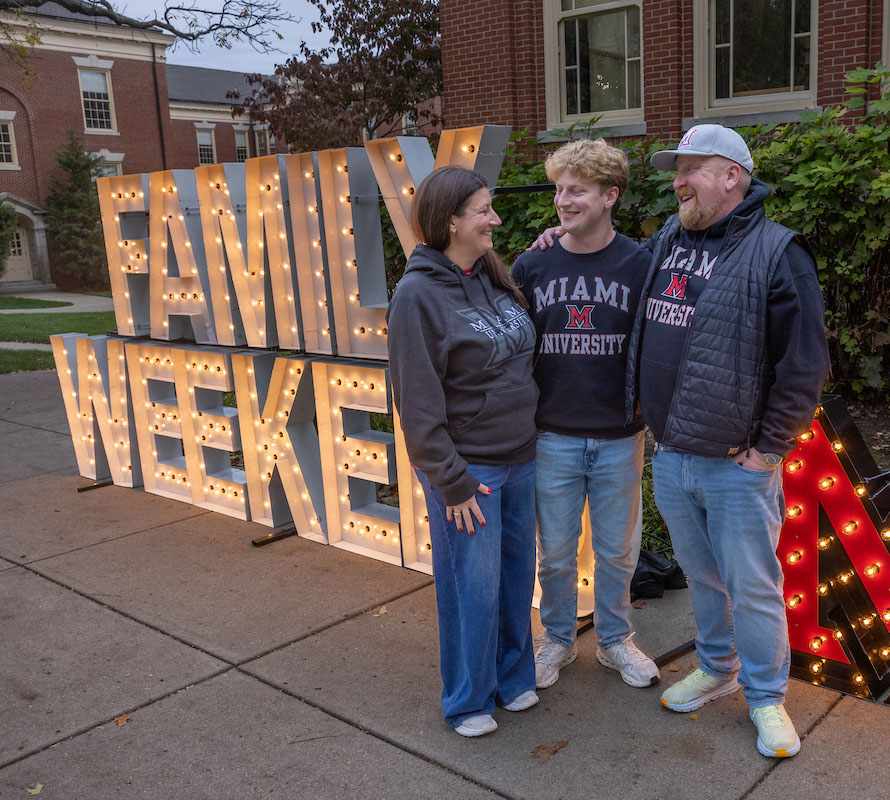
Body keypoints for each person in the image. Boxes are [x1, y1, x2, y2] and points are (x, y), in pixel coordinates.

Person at [626, 125, 830, 758]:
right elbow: (611, 266)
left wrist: (770, 449)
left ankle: (767, 698)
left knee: (754, 585)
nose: (678, 180)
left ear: (732, 177)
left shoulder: (779, 252)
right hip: (673, 452)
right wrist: (560, 237)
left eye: (691, 169)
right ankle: (718, 666)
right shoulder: (669, 238)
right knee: (702, 578)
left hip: (737, 464)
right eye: (676, 169)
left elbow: (805, 363)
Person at [386, 165, 540, 738]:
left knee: (515, 578)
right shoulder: (417, 296)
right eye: (483, 210)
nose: (495, 219)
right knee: (469, 587)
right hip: (469, 470)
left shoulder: (488, 274)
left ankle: (511, 676)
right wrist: (450, 480)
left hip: (521, 458)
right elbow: (417, 401)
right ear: (450, 220)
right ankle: (467, 699)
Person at [511, 139, 660, 691]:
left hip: (620, 435)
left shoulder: (640, 265)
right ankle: (556, 638)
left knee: (618, 550)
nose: (562, 200)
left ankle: (615, 640)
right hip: (552, 433)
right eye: (558, 189)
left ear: (610, 196)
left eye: (576, 190)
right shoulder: (532, 264)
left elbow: (661, 343)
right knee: (553, 552)